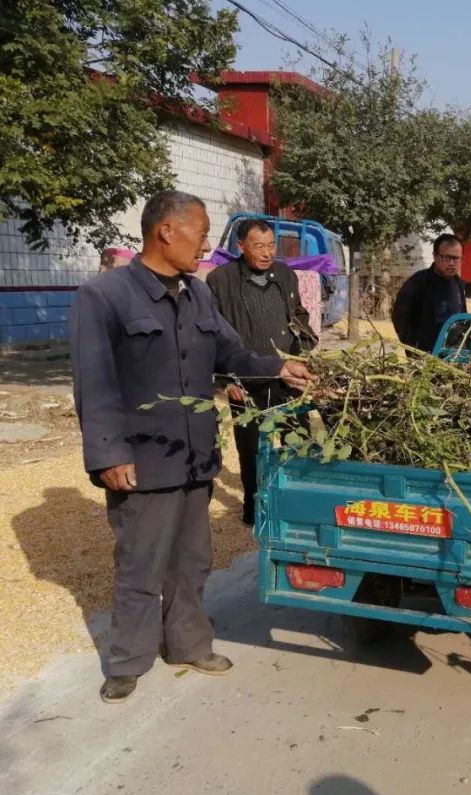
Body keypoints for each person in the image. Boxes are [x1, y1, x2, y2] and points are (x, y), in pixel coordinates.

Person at [70, 190, 311, 704]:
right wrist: (109, 453)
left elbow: (230, 351)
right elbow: (95, 382)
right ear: (166, 231)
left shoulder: (197, 294)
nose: (206, 242)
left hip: (194, 455)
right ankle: (128, 660)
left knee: (192, 559)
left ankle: (188, 644)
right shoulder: (105, 296)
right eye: (200, 232)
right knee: (140, 563)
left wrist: (277, 366)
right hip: (143, 459)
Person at [206, 218, 317, 526]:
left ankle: (297, 504)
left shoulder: (284, 274)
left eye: (271, 245)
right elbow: (213, 335)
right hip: (247, 379)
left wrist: (306, 351)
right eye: (259, 246)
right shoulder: (220, 280)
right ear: (241, 247)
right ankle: (255, 507)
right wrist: (227, 380)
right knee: (252, 448)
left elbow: (299, 315)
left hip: (290, 375)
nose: (267, 253)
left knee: (297, 440)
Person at [391, 234, 468, 353]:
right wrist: (414, 349)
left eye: (456, 258)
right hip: (424, 356)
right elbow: (400, 318)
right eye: (447, 258)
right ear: (435, 256)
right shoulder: (417, 283)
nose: (452, 263)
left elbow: (463, 318)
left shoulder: (459, 284)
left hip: (453, 355)